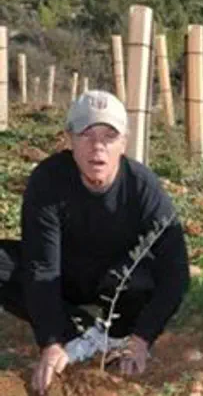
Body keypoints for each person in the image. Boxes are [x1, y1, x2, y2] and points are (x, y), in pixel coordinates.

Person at [0, 91, 190, 395]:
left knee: (141, 277)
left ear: (123, 144)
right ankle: (80, 330)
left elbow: (176, 273)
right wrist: (51, 340)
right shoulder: (48, 181)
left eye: (109, 136)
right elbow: (42, 267)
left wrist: (142, 339)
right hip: (66, 276)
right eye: (87, 135)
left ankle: (117, 333)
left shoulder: (143, 188)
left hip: (116, 285)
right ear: (70, 140)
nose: (97, 146)